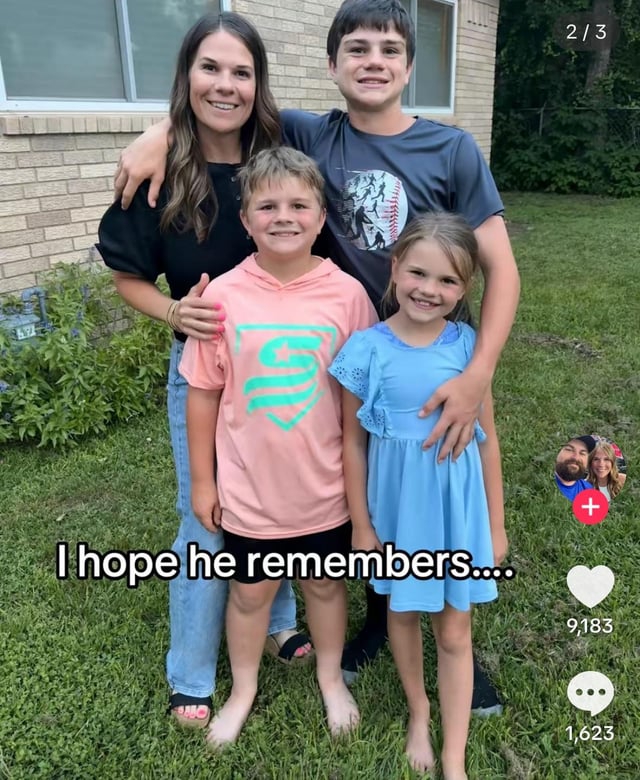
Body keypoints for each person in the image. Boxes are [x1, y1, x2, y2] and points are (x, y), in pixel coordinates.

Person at [111, 0, 520, 712]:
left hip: (427, 361)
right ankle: (366, 628)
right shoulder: (309, 131)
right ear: (332, 65)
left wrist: (478, 371)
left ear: (411, 67)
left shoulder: (451, 149)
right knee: (366, 494)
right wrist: (162, 131)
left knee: (428, 489)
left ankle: (458, 645)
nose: (373, 63)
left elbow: (502, 269)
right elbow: (224, 107)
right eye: (356, 49)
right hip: (338, 357)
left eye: (390, 51)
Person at [96, 12, 312, 730]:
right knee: (208, 515)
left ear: (259, 83)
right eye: (209, 68)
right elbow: (127, 277)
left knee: (277, 495)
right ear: (186, 74)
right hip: (204, 370)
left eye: (241, 72)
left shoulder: (281, 152)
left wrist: (161, 124)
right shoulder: (160, 175)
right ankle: (190, 670)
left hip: (283, 364)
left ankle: (277, 618)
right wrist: (172, 312)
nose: (226, 85)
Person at [179, 146, 377, 746]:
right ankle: (242, 690)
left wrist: (361, 494)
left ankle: (330, 679)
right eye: (267, 206)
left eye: (298, 205)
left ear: (321, 219)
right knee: (250, 594)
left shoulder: (348, 297)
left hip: (324, 490)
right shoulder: (221, 296)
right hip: (250, 490)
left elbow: (359, 405)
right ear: (245, 220)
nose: (283, 216)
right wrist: (204, 482)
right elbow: (203, 394)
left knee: (324, 587)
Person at [329, 212, 506, 779]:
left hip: (454, 513)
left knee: (454, 630)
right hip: (397, 511)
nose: (430, 289)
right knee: (402, 613)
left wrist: (496, 527)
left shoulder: (470, 348)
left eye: (448, 281)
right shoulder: (365, 349)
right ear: (395, 268)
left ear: (465, 288)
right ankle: (419, 712)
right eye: (418, 273)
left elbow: (488, 442)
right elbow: (352, 444)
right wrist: (362, 525)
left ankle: (454, 756)